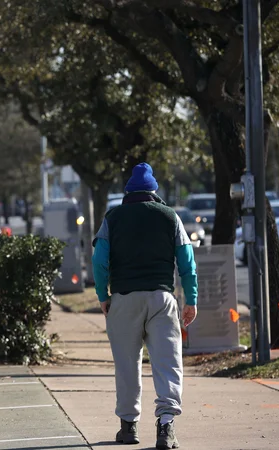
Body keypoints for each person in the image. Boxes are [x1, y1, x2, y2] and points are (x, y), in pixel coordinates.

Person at [91, 163, 198, 449]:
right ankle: (166, 427)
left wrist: (104, 296)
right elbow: (187, 263)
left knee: (127, 365)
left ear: (128, 192)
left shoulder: (112, 218)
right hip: (162, 299)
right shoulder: (170, 216)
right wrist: (191, 300)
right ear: (153, 191)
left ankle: (128, 427)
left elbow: (99, 262)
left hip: (124, 299)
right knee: (167, 363)